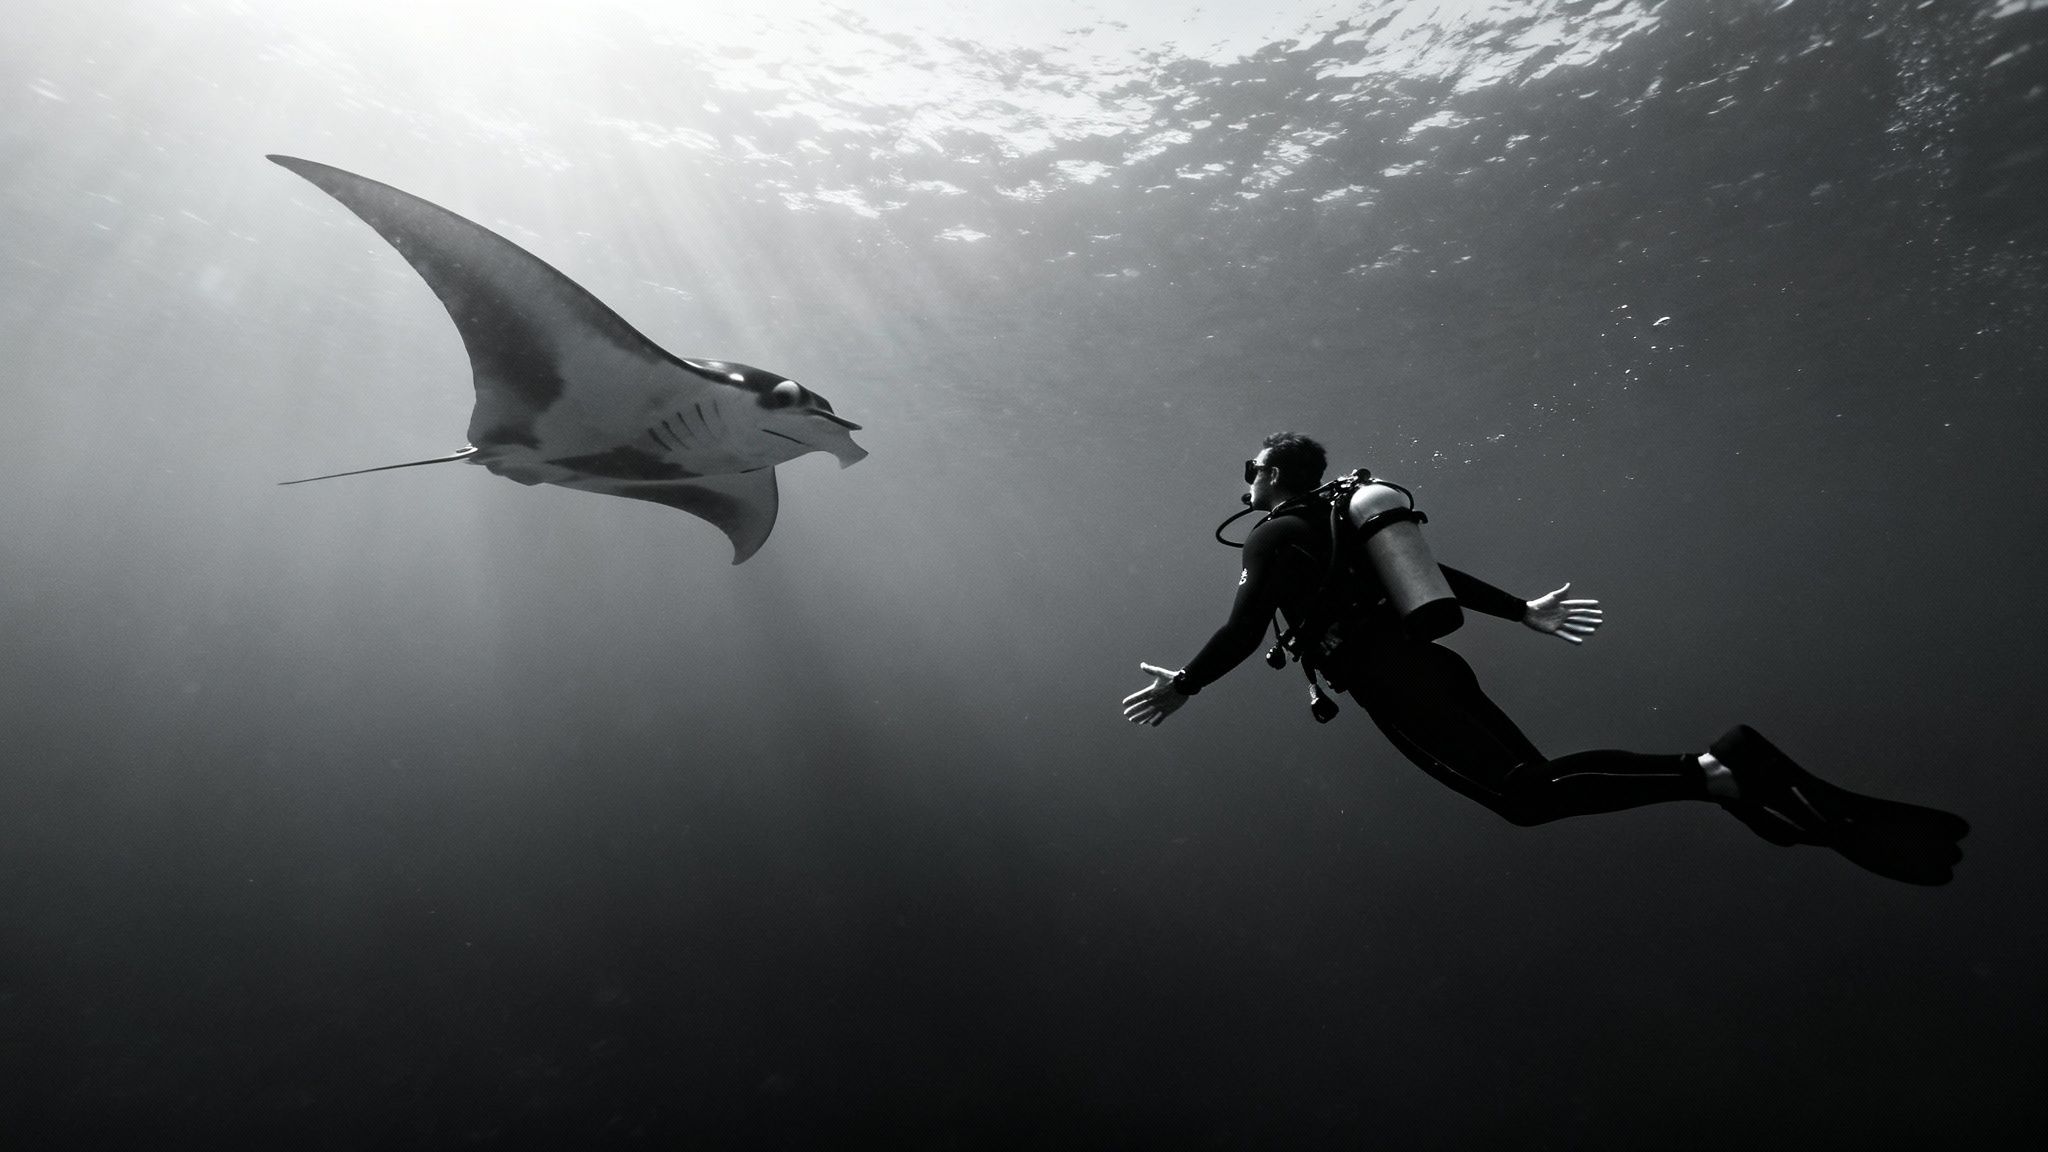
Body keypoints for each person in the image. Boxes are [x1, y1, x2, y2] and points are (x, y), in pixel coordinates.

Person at [1122, 432, 1968, 884]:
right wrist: (1520, 609)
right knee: (1533, 781)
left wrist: (1188, 685)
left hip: (1391, 680)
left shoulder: (1274, 532)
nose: (1247, 485)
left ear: (1274, 476)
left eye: (1252, 471)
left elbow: (1245, 626)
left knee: (1524, 797)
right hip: (1433, 666)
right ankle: (1715, 778)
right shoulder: (1342, 522)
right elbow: (1430, 573)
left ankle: (1718, 765)